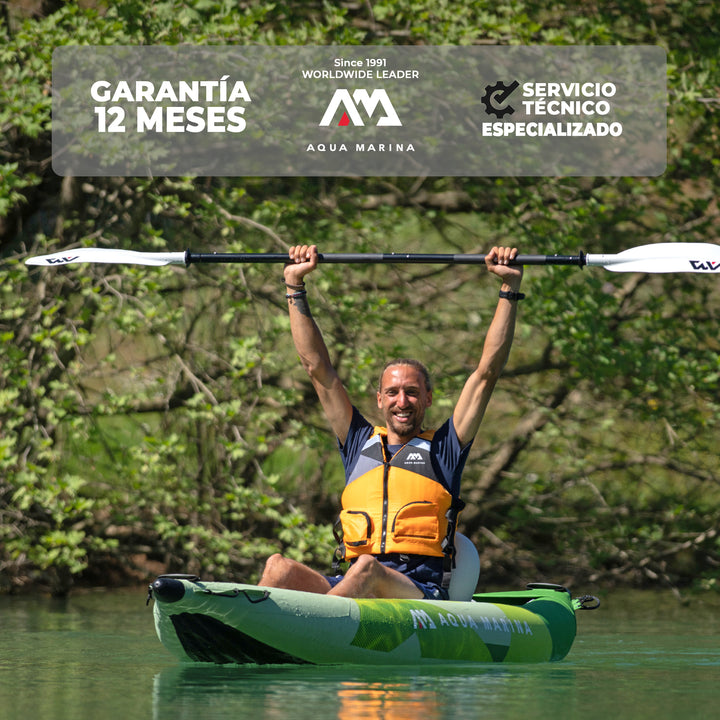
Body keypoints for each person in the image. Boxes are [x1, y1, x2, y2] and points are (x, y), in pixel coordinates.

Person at [259, 243, 524, 599]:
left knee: (367, 568)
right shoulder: (358, 443)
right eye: (394, 392)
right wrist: (294, 285)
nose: (403, 401)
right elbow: (316, 368)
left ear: (428, 398)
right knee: (278, 565)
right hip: (353, 582)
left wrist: (509, 289)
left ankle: (316, 631)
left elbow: (486, 373)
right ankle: (238, 627)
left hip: (418, 588)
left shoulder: (444, 448)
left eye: (413, 392)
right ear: (380, 400)